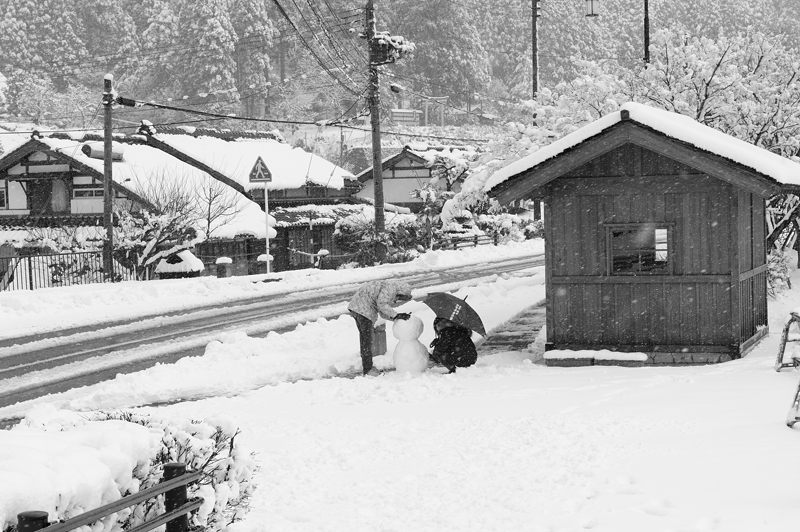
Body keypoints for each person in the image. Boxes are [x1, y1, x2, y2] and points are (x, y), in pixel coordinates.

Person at [348, 279, 412, 375]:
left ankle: (368, 367)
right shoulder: (391, 288)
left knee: (365, 340)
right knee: (366, 341)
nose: (397, 300)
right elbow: (382, 305)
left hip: (356, 308)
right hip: (363, 310)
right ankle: (368, 369)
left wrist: (396, 317)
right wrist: (396, 315)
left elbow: (382, 312)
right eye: (400, 298)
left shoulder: (389, 287)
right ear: (401, 292)